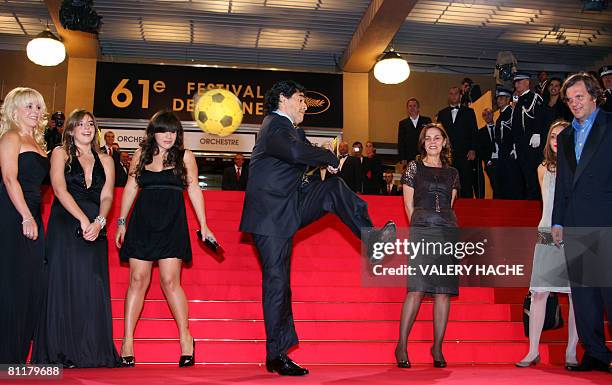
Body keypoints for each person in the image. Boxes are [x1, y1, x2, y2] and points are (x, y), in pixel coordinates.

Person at [239, 80, 395, 376]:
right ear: (283, 99)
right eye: (300, 99)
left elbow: (298, 155)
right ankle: (277, 355)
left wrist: (322, 156)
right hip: (271, 217)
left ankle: (373, 242)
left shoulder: (289, 130)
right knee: (277, 285)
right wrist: (328, 156)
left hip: (289, 205)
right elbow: (297, 154)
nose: (304, 106)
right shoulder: (274, 124)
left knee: (333, 188)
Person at [115, 111, 216, 368]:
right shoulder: (140, 155)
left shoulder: (185, 157)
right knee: (137, 280)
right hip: (142, 222)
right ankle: (127, 341)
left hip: (172, 223)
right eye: (163, 130)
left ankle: (186, 338)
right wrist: (122, 221)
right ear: (153, 132)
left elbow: (193, 188)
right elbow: (130, 188)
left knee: (170, 281)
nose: (168, 136)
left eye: (173, 131)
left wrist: (203, 224)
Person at [32, 110, 120, 368]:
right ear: (70, 129)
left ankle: (90, 352)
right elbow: (58, 188)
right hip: (66, 222)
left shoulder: (106, 159)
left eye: (91, 124)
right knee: (64, 283)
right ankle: (60, 351)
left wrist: (100, 221)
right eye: (80, 124)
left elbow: (107, 196)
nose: (86, 128)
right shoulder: (60, 153)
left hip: (96, 225)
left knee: (92, 286)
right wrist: (83, 220)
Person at [552, 73, 612, 373]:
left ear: (594, 96)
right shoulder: (564, 136)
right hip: (575, 221)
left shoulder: (610, 124)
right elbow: (563, 182)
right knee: (585, 293)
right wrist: (558, 221)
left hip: (607, 219)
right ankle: (596, 352)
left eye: (579, 96)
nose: (574, 103)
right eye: (570, 99)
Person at [395, 123, 460, 369]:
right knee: (417, 289)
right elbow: (408, 205)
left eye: (437, 138)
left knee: (443, 292)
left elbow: (450, 205)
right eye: (428, 138)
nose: (432, 141)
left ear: (444, 142)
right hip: (422, 230)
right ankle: (401, 344)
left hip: (447, 231)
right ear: (423, 143)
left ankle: (437, 347)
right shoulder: (414, 167)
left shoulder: (453, 172)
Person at [515, 120, 578, 369]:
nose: (556, 140)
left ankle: (572, 352)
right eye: (553, 136)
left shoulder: (581, 167)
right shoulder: (544, 167)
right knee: (539, 292)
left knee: (576, 296)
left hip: (576, 234)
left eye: (562, 136)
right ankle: (532, 351)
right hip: (547, 232)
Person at [0, 87, 49, 363]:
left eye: (38, 107)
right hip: (13, 213)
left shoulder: (37, 141)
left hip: (32, 213)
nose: (35, 112)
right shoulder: (11, 136)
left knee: (30, 283)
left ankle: (16, 355)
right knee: (12, 282)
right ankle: (7, 355)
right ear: (14, 110)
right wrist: (25, 217)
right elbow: (9, 179)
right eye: (28, 106)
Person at [511, 71, 546, 200]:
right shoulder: (519, 101)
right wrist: (515, 144)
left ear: (527, 82)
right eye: (515, 82)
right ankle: (529, 201)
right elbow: (516, 125)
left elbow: (540, 116)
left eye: (519, 82)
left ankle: (535, 202)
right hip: (521, 144)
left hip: (532, 142)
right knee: (525, 175)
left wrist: (537, 132)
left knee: (533, 175)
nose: (517, 85)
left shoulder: (534, 97)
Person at [437, 86, 477, 198]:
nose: (453, 96)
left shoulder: (469, 112)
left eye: (455, 93)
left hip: (465, 154)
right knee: (446, 182)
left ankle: (468, 208)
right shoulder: (442, 113)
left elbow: (474, 131)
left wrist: (473, 149)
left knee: (466, 182)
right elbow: (439, 134)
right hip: (447, 154)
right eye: (451, 93)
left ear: (460, 96)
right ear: (448, 96)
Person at [494, 87, 524, 199]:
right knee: (504, 178)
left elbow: (516, 130)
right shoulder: (502, 114)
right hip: (503, 150)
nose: (499, 100)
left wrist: (515, 146)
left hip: (510, 149)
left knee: (511, 178)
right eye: (498, 98)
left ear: (507, 99)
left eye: (502, 98)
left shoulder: (511, 112)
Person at [397, 98, 432, 167]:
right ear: (407, 109)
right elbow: (401, 141)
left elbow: (430, 138)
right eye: (410, 106)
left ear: (418, 108)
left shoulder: (427, 120)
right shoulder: (403, 123)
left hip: (424, 155)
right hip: (409, 157)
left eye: (414, 106)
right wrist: (402, 158)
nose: (412, 108)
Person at [477, 108, 496, 198]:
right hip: (489, 162)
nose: (487, 116)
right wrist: (487, 160)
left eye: (489, 113)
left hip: (503, 160)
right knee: (494, 185)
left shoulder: (500, 127)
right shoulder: (480, 132)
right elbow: (481, 149)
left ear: (493, 114)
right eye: (485, 115)